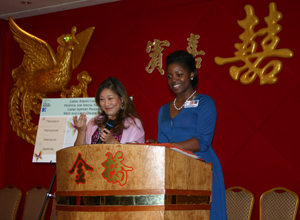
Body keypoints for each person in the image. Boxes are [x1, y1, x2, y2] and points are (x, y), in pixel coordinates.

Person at [147, 50, 227, 219]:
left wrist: (170, 147)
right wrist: (155, 145)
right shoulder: (163, 110)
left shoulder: (205, 103)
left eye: (179, 74)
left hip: (202, 169)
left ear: (191, 74)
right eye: (169, 76)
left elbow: (202, 141)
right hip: (174, 173)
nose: (173, 80)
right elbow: (163, 142)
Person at [73, 77, 145, 145]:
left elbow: (136, 155)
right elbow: (78, 154)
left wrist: (112, 142)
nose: (106, 104)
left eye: (110, 98)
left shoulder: (133, 124)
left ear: (122, 99)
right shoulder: (93, 123)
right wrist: (81, 131)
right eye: (102, 99)